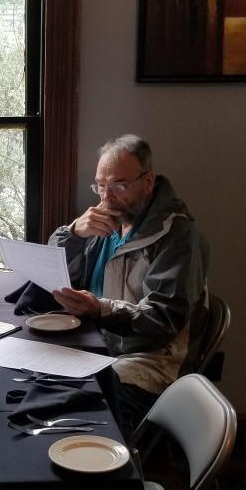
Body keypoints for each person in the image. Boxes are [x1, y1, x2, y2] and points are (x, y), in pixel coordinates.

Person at [49, 133, 210, 435]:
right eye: (100, 185)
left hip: (147, 361)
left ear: (148, 182)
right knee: (35, 388)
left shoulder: (177, 237)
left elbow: (164, 318)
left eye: (118, 186)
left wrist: (101, 310)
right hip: (97, 342)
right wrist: (74, 234)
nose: (106, 197)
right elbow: (54, 268)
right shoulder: (107, 220)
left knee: (82, 418)